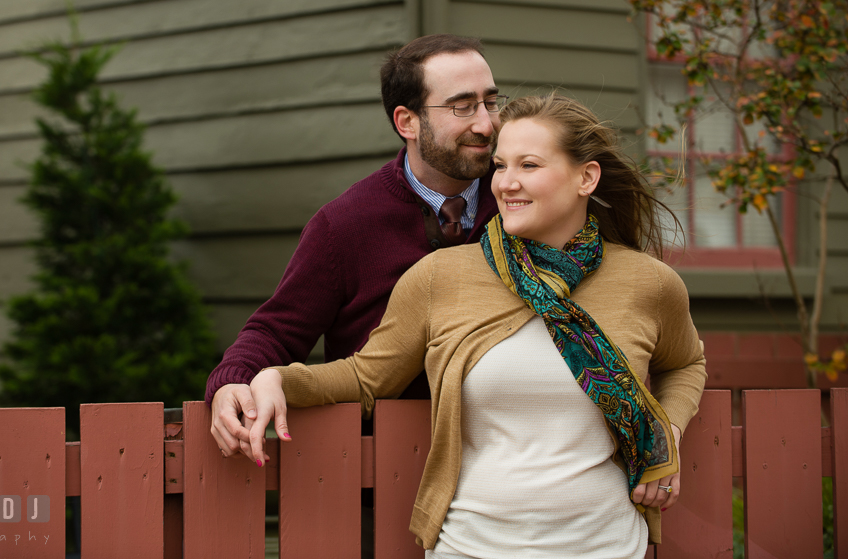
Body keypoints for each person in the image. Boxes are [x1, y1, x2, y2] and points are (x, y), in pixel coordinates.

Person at [247, 93, 708, 557]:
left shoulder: (648, 283)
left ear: (586, 177)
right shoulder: (440, 277)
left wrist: (665, 432)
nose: (506, 183)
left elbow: (686, 363)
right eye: (501, 166)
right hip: (471, 545)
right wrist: (277, 379)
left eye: (528, 165)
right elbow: (367, 377)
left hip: (607, 545)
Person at [206, 34, 506, 458]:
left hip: (508, 469)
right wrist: (232, 380)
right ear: (407, 122)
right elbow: (275, 329)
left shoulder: (524, 200)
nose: (485, 123)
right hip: (381, 477)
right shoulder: (345, 225)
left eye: (491, 102)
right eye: (462, 106)